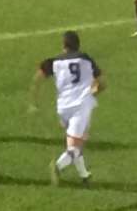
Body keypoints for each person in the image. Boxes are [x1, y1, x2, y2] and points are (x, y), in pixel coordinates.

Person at [30, 30, 103, 186]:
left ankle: (85, 176)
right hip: (81, 107)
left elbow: (37, 78)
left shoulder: (54, 61)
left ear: (64, 45)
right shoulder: (86, 59)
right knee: (76, 146)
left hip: (63, 108)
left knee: (74, 143)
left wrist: (34, 102)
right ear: (78, 45)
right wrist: (93, 92)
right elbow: (101, 83)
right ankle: (58, 166)